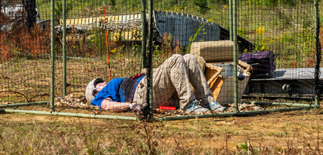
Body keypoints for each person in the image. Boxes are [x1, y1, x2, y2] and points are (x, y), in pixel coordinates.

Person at [85, 53, 225, 114]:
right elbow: (107, 106)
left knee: (189, 58)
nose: (103, 82)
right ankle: (188, 104)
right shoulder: (101, 96)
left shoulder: (111, 85)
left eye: (101, 81)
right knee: (176, 59)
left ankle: (208, 100)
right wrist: (130, 105)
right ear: (95, 92)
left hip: (157, 92)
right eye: (98, 84)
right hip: (142, 94)